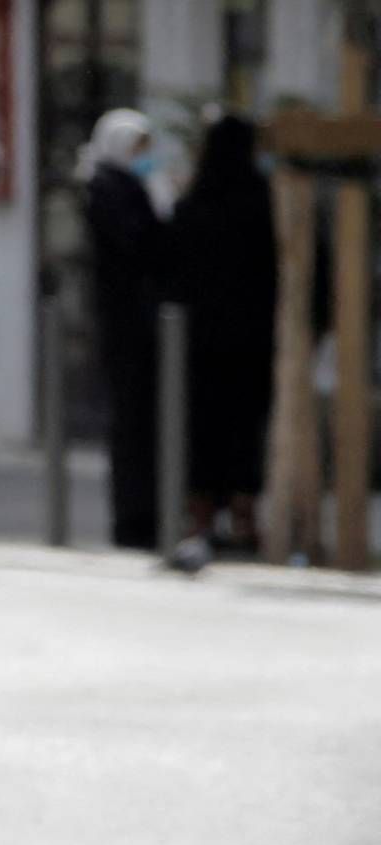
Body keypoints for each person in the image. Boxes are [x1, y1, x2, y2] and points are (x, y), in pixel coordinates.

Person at [169, 113, 276, 552]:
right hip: (252, 339)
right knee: (245, 429)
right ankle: (245, 520)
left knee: (203, 431)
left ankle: (200, 520)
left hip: (199, 341)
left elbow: (170, 268)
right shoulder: (263, 202)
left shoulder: (194, 204)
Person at [80, 108, 170, 550]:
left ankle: (148, 515)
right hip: (125, 326)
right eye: (138, 149)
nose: (145, 158)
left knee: (146, 425)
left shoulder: (129, 186)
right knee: (130, 425)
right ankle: (133, 520)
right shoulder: (106, 189)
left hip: (145, 325)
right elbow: (139, 245)